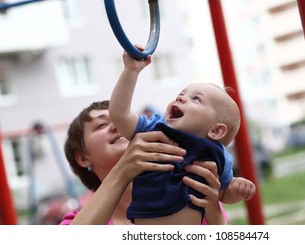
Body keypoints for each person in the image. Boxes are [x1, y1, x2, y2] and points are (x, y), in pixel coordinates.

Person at [109, 47, 256, 225]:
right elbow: (119, 114)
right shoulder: (154, 130)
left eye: (196, 99)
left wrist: (237, 189)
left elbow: (222, 193)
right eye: (181, 94)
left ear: (216, 131)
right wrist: (131, 71)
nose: (180, 98)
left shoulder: (217, 155)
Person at [60, 100, 229, 225]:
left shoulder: (193, 196)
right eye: (102, 125)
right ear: (82, 157)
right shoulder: (75, 223)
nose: (117, 126)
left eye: (122, 121)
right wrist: (122, 171)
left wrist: (214, 213)